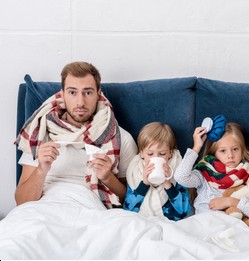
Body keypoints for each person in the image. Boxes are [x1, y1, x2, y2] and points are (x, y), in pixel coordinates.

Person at [14, 61, 138, 209]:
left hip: (92, 210)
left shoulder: (120, 138)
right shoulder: (39, 132)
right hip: (45, 209)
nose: (80, 102)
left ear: (98, 94)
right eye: (73, 92)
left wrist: (108, 177)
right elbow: (21, 202)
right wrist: (41, 169)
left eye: (88, 92)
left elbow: (133, 201)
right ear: (63, 94)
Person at [174, 120, 249, 226]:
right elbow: (180, 177)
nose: (230, 155)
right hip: (204, 227)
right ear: (214, 152)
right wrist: (197, 147)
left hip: (233, 229)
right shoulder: (204, 174)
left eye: (235, 149)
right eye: (223, 151)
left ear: (242, 150)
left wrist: (231, 202)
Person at [123, 122, 191, 221]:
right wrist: (144, 184)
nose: (156, 157)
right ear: (141, 153)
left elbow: (184, 210)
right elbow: (127, 209)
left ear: (170, 154)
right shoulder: (135, 173)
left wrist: (168, 184)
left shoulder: (177, 171)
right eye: (150, 154)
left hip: (171, 223)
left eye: (162, 153)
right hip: (144, 222)